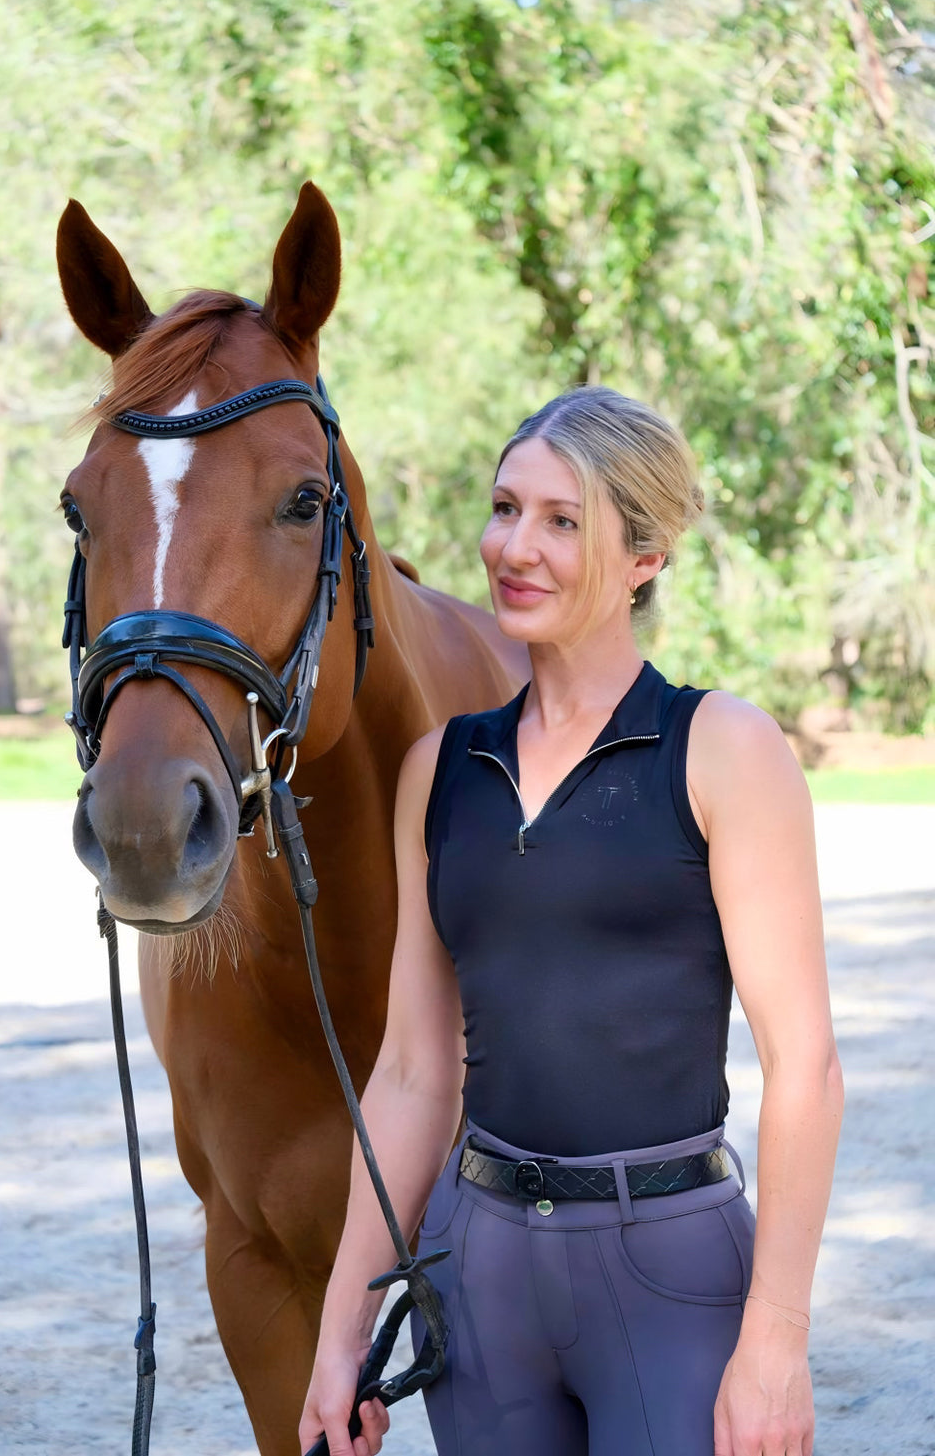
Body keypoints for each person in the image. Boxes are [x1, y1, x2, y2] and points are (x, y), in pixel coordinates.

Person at [299, 386, 843, 1456]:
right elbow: (411, 1073)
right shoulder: (440, 771)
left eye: (562, 520)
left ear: (644, 555)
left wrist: (777, 1339)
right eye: (506, 508)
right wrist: (341, 1330)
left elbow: (806, 1066)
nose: (516, 547)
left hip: (669, 1271)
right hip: (478, 1270)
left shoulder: (722, 748)